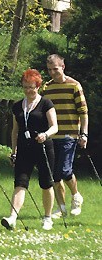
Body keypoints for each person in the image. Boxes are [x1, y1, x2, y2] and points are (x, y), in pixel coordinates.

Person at [1, 69, 58, 230]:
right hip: (24, 150)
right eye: (25, 87)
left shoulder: (46, 104)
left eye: (31, 87)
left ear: (38, 86)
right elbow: (15, 131)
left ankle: (47, 218)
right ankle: (12, 217)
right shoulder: (18, 106)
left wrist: (45, 135)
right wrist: (14, 151)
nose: (28, 90)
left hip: (43, 148)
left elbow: (55, 127)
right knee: (20, 182)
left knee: (46, 183)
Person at [41, 54, 88, 218]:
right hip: (52, 136)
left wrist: (84, 134)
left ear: (63, 67)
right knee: (54, 175)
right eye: (49, 70)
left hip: (69, 135)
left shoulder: (74, 86)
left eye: (55, 69)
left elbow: (83, 113)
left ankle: (76, 196)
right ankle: (61, 208)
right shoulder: (46, 88)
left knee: (64, 169)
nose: (52, 73)